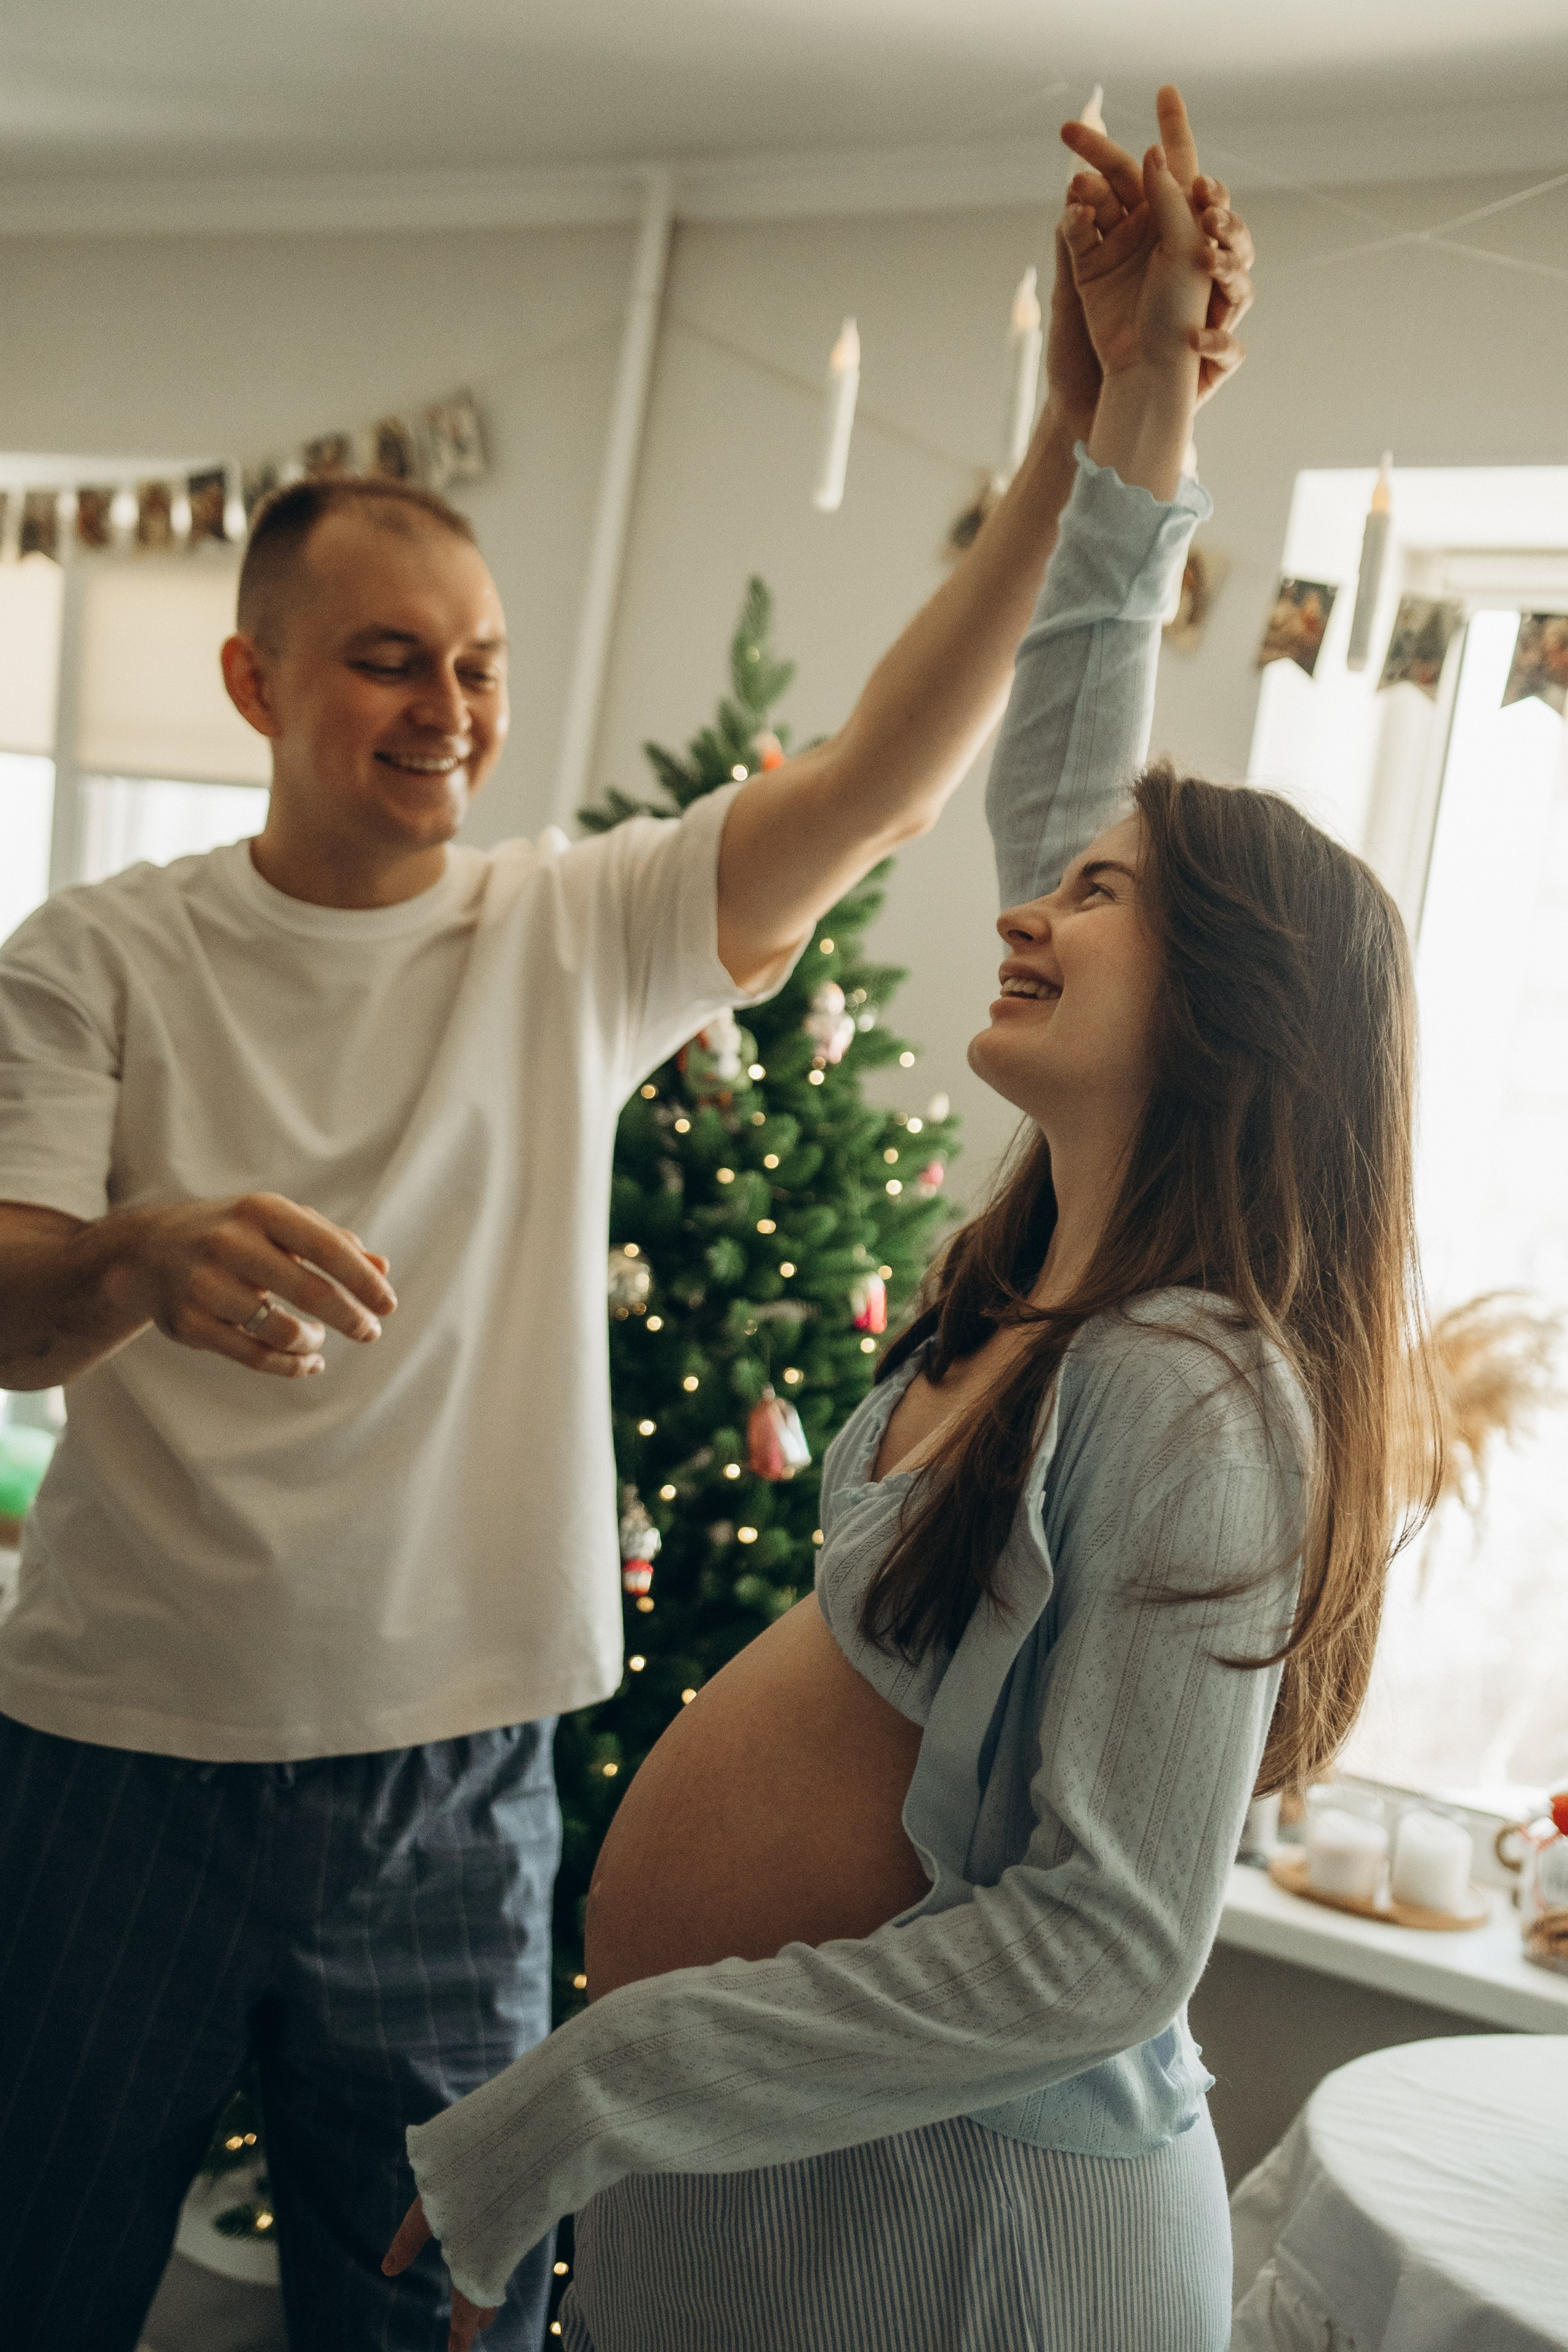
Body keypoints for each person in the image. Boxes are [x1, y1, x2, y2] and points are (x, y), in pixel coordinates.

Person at [0, 91, 1251, 2352]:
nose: (450, 707)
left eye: (478, 664)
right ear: (256, 681)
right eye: (389, 659)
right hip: (115, 1750)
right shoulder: (93, 954)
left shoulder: (574, 932)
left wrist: (1076, 423)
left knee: (438, 2307)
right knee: (34, 2261)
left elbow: (886, 768)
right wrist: (129, 1258)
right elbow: (2, 1305)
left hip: (458, 1778)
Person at [385, 99, 1428, 2352]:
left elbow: (1100, 1947)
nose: (1029, 908)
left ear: (1229, 1020)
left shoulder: (1193, 1390)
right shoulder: (1067, 1263)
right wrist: (1135, 389)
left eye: (1098, 899)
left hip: (969, 2255)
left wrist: (606, 2082)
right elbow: (1074, 739)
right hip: (809, 2200)